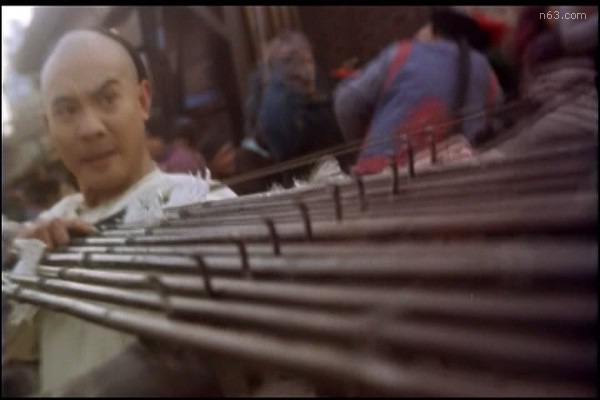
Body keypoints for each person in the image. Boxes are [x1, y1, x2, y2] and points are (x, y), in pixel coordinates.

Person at [3, 28, 236, 396]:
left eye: (107, 99)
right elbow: (19, 348)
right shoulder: (48, 226)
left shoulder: (199, 205)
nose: (90, 129)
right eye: (67, 111)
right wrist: (25, 264)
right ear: (48, 126)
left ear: (142, 101)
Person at [333, 7, 504, 175]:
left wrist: (365, 147)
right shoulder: (485, 70)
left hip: (382, 177)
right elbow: (496, 120)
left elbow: (347, 102)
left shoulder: (403, 53)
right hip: (459, 178)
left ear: (435, 31)